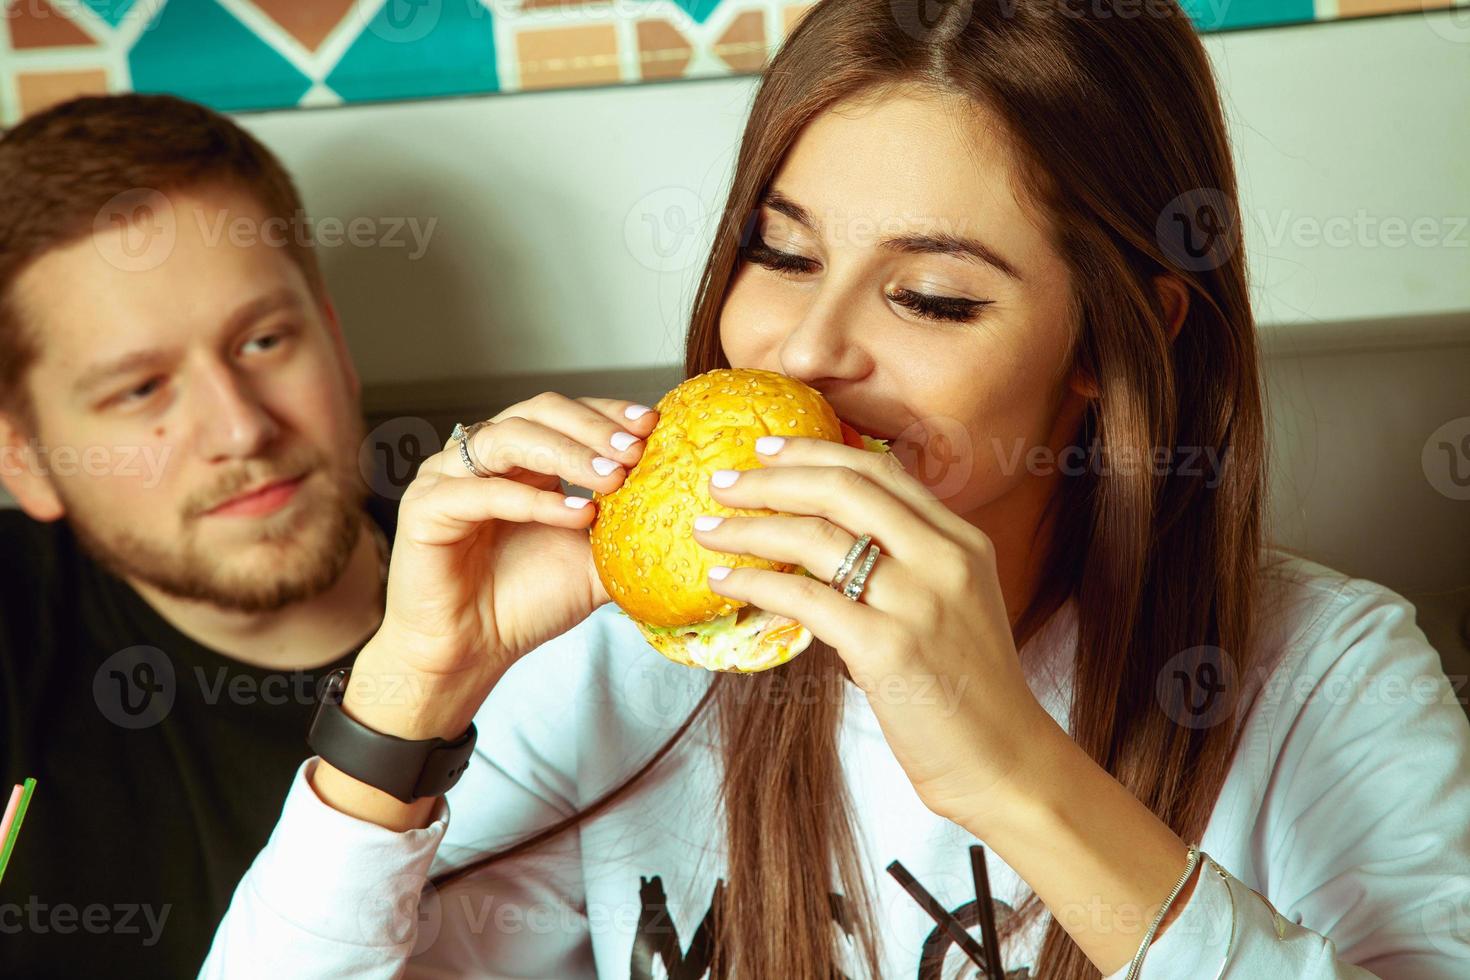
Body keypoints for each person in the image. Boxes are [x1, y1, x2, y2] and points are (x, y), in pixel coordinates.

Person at [204, 1, 1470, 977]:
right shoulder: (631, 657)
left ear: (1113, 343)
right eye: (781, 250)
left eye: (932, 296)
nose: (807, 349)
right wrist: (408, 692)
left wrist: (1016, 775)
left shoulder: (1329, 675)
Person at [0, 94, 398, 976]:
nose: (240, 430)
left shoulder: (544, 617)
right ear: (24, 457)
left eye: (263, 341)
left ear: (333, 337)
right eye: (140, 390)